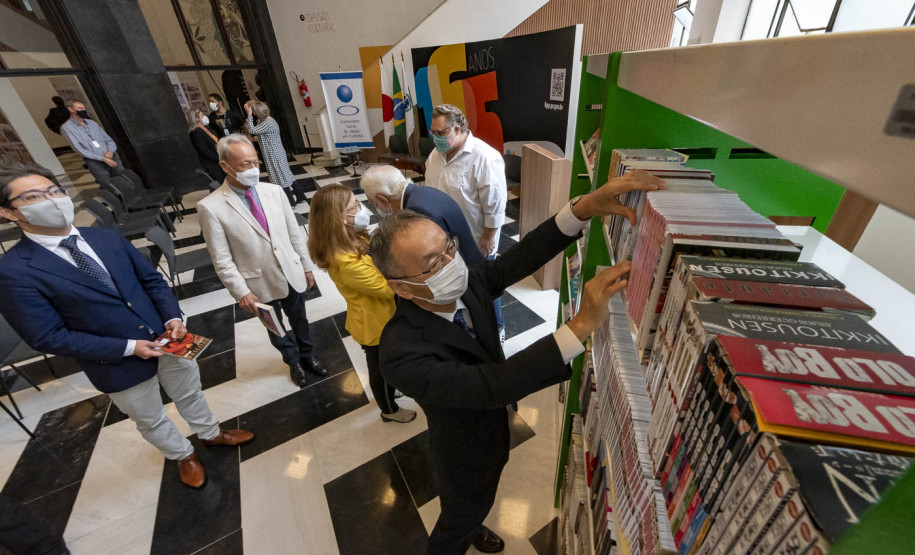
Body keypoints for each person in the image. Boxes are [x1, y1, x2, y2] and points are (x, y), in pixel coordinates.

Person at [369, 170, 666, 554]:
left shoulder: (467, 280)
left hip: (496, 431)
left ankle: (472, 523)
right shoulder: (401, 351)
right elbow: (491, 385)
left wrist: (583, 208)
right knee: (458, 516)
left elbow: (518, 259)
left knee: (479, 501)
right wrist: (578, 327)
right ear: (400, 286)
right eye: (432, 263)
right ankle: (461, 533)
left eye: (449, 249)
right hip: (463, 450)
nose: (450, 263)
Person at [0, 162, 254, 490]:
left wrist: (173, 317)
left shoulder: (105, 237)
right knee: (149, 417)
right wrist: (130, 347)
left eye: (55, 191)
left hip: (169, 337)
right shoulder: (15, 271)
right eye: (34, 197)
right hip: (114, 360)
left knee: (190, 392)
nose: (51, 201)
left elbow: (150, 280)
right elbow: (46, 335)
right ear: (8, 213)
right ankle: (183, 454)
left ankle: (211, 433)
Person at [197, 134, 326, 387]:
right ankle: (293, 362)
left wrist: (307, 267)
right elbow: (221, 258)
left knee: (300, 318)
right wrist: (241, 291)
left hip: (290, 271)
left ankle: (308, 355)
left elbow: (293, 234)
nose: (254, 169)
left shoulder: (274, 191)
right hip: (257, 283)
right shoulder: (210, 207)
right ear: (225, 166)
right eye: (245, 164)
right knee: (275, 327)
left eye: (256, 162)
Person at [307, 184, 416, 423]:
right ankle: (389, 410)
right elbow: (386, 289)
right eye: (352, 208)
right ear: (336, 219)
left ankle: (392, 389)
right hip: (375, 324)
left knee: (387, 364)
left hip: (382, 317)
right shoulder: (344, 260)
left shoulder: (353, 238)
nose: (360, 209)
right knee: (381, 369)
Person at [424, 103, 507, 339]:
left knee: (486, 287)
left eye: (440, 133)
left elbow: (495, 204)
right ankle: (470, 326)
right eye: (433, 132)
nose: (435, 138)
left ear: (457, 129)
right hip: (445, 238)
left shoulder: (484, 157)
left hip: (476, 238)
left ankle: (497, 329)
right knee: (459, 284)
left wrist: (489, 237)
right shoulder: (435, 156)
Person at [360, 165, 483, 266]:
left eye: (374, 203)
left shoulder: (417, 211)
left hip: (467, 273)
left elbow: (440, 258)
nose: (377, 208)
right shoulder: (421, 192)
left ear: (383, 199)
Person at [244, 100, 301, 207]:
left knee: (280, 176)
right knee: (286, 174)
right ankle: (300, 196)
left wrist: (249, 115)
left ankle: (291, 202)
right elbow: (259, 135)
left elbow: (252, 130)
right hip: (272, 152)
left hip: (274, 153)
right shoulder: (263, 121)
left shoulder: (268, 122)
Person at [60, 99, 125, 189]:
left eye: (84, 108)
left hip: (111, 157)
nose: (83, 110)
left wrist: (110, 151)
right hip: (95, 161)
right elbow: (78, 148)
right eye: (80, 108)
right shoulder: (67, 128)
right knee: (108, 185)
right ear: (71, 109)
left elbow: (108, 140)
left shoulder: (92, 123)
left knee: (123, 180)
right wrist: (102, 158)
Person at [187, 108, 226, 183]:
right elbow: (204, 150)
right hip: (212, 163)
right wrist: (219, 158)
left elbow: (216, 140)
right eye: (202, 116)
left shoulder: (207, 127)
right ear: (196, 119)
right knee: (224, 181)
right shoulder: (195, 133)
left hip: (219, 157)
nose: (205, 117)